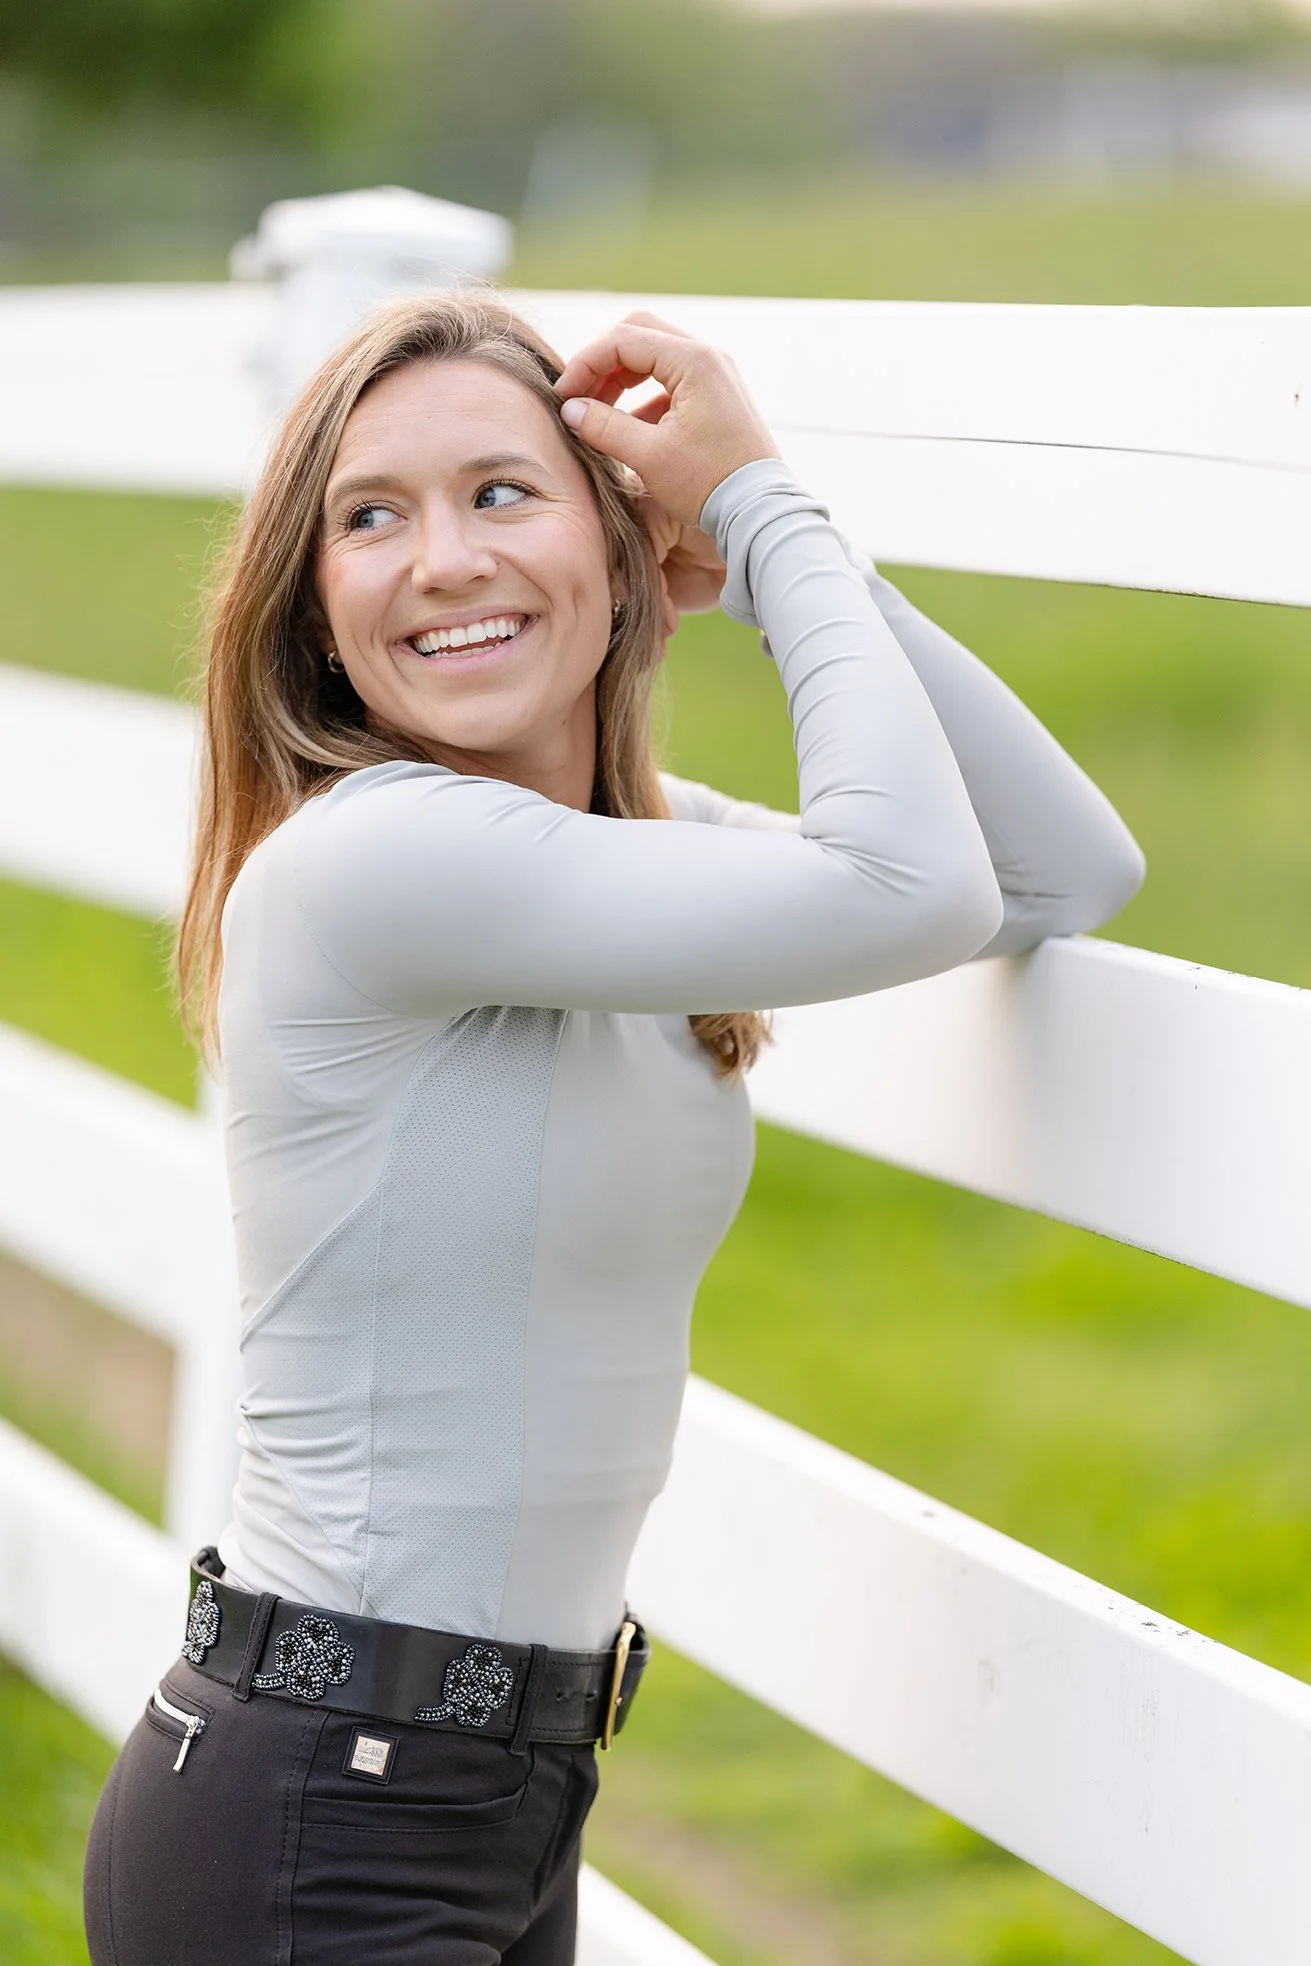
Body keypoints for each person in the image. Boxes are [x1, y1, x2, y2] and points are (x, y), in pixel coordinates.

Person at [83, 295, 1143, 1966]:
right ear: (315, 601)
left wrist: (787, 560)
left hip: (484, 1789)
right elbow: (914, 881)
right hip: (324, 1817)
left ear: (619, 543)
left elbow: (1053, 872)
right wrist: (766, 509)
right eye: (371, 516)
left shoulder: (618, 860)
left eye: (502, 492)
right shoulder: (380, 864)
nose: (441, 558)